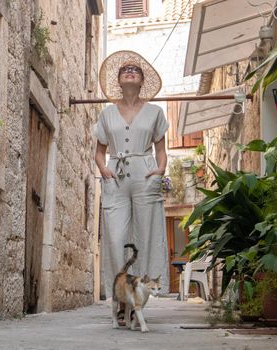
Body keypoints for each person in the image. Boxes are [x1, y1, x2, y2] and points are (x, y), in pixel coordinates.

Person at [94, 51, 170, 311]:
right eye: (125, 69)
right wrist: (103, 169)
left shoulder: (155, 112)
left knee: (145, 235)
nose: (130, 71)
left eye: (135, 70)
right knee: (115, 237)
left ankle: (138, 297)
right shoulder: (107, 114)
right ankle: (120, 298)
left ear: (141, 81)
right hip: (115, 174)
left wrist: (159, 171)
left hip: (144, 172)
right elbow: (99, 151)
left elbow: (161, 150)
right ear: (119, 79)